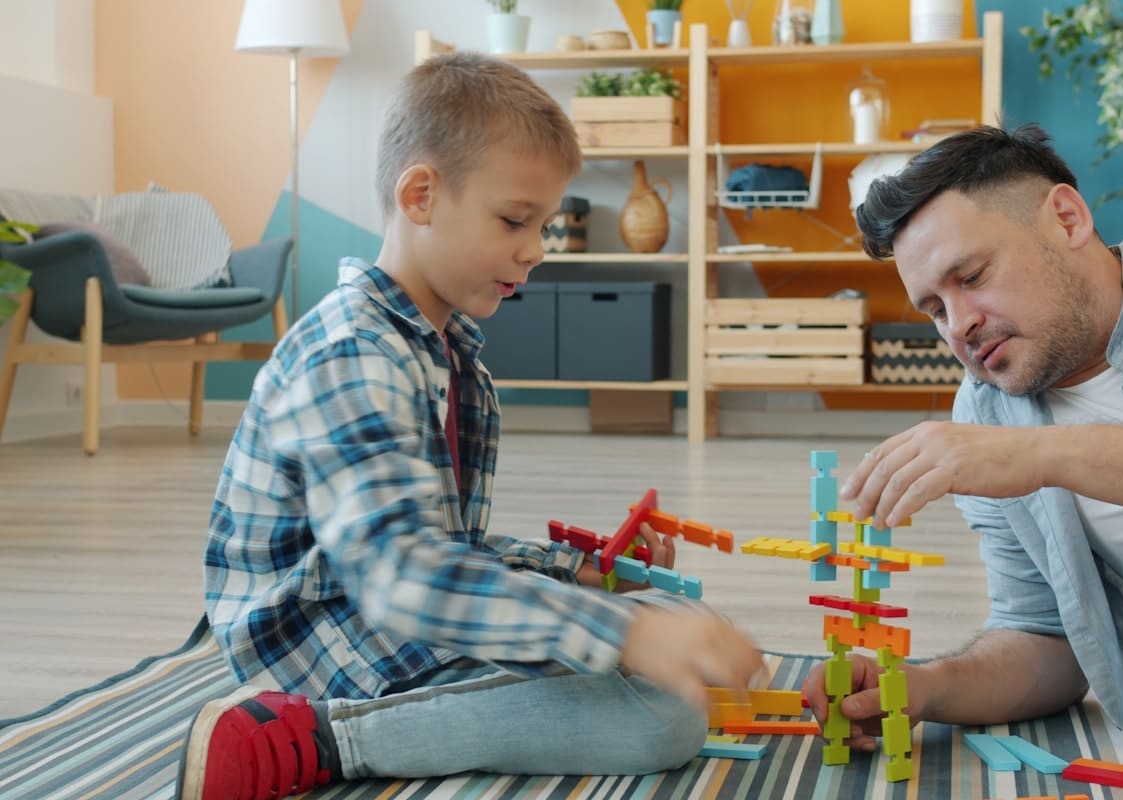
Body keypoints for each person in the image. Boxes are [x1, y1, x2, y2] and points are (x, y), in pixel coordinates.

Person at [175, 52, 763, 800]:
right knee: (661, 716)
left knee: (671, 626)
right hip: (316, 639)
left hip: (382, 605)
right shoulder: (355, 354)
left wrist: (576, 572)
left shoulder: (449, 355)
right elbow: (401, 574)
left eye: (544, 224)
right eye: (515, 220)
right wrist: (624, 632)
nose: (537, 248)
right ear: (421, 195)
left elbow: (444, 545)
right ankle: (317, 739)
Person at [803, 123, 1123, 755]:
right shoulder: (986, 417)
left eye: (974, 275)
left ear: (1067, 219)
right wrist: (918, 687)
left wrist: (1038, 458)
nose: (960, 326)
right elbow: (1045, 640)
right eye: (934, 308)